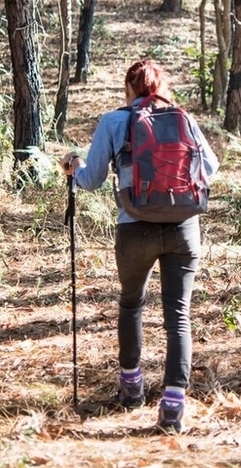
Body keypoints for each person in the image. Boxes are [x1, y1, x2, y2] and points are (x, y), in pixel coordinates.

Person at [60, 59, 219, 432]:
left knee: (132, 303)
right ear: (162, 86)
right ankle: (173, 407)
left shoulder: (115, 122)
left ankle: (131, 387)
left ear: (129, 88)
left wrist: (74, 167)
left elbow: (93, 180)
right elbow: (210, 167)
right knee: (178, 316)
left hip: (134, 227)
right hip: (183, 228)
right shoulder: (183, 118)